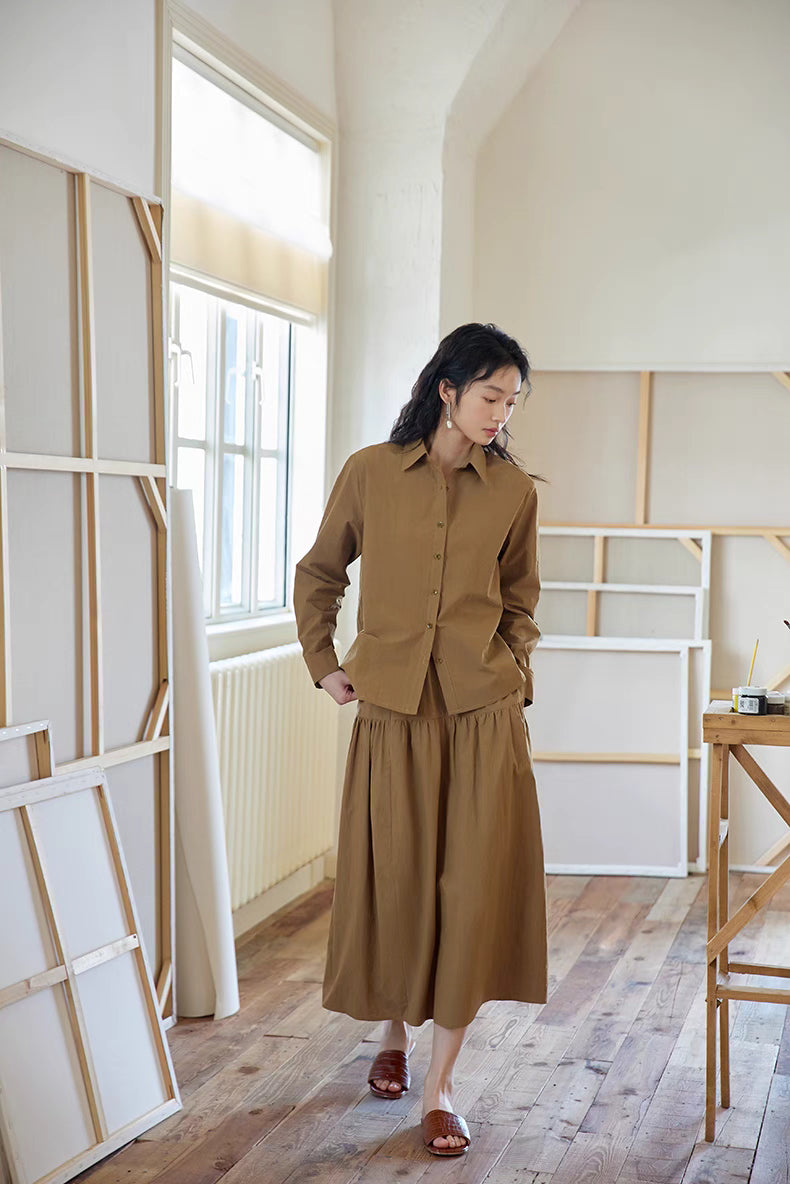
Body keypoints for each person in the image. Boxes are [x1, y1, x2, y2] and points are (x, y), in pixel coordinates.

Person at [292, 322, 548, 1158]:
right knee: (398, 881)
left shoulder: (513, 492)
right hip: (393, 712)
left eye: (511, 402)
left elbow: (521, 602)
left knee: (468, 891)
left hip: (482, 715)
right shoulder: (370, 473)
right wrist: (325, 664)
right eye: (490, 396)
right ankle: (392, 1034)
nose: (500, 414)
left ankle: (439, 1089)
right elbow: (319, 572)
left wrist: (512, 676)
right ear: (448, 389)